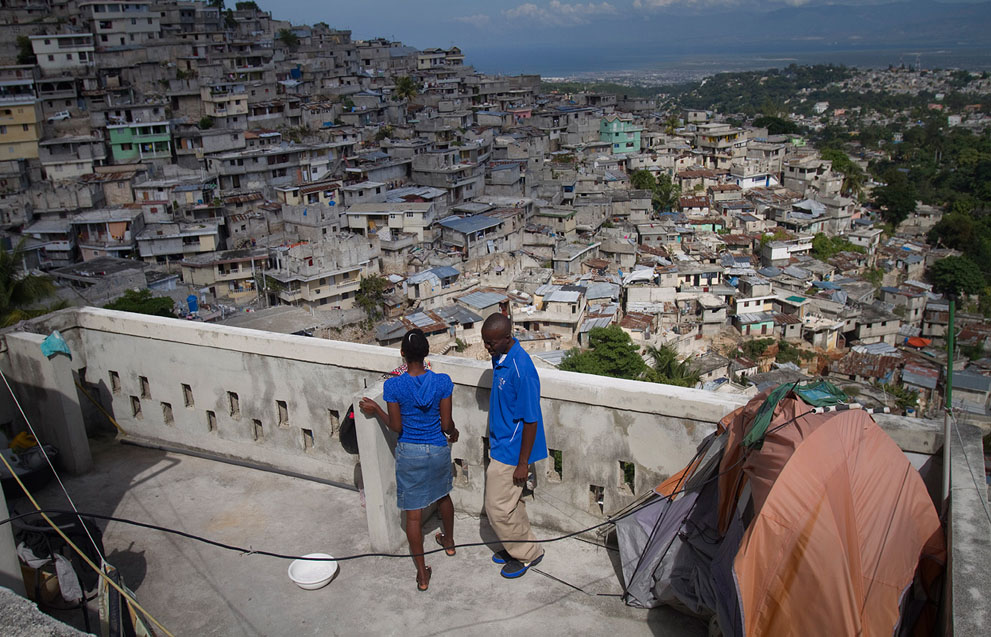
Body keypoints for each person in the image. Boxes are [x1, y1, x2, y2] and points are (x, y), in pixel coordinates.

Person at [358, 329, 459, 592]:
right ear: (426, 354)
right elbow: (447, 424)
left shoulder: (394, 386)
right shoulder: (442, 382)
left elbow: (396, 427)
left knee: (412, 517)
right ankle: (449, 543)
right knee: (443, 496)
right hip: (437, 448)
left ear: (403, 354)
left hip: (410, 453)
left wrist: (376, 408)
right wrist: (454, 432)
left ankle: (422, 576)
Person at [480, 313, 548, 579]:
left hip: (512, 451)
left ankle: (528, 554)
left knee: (496, 507)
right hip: (500, 444)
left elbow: (531, 420)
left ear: (507, 339)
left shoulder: (523, 369)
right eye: (485, 342)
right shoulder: (501, 358)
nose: (487, 348)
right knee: (511, 504)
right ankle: (519, 545)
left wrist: (523, 463)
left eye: (491, 343)